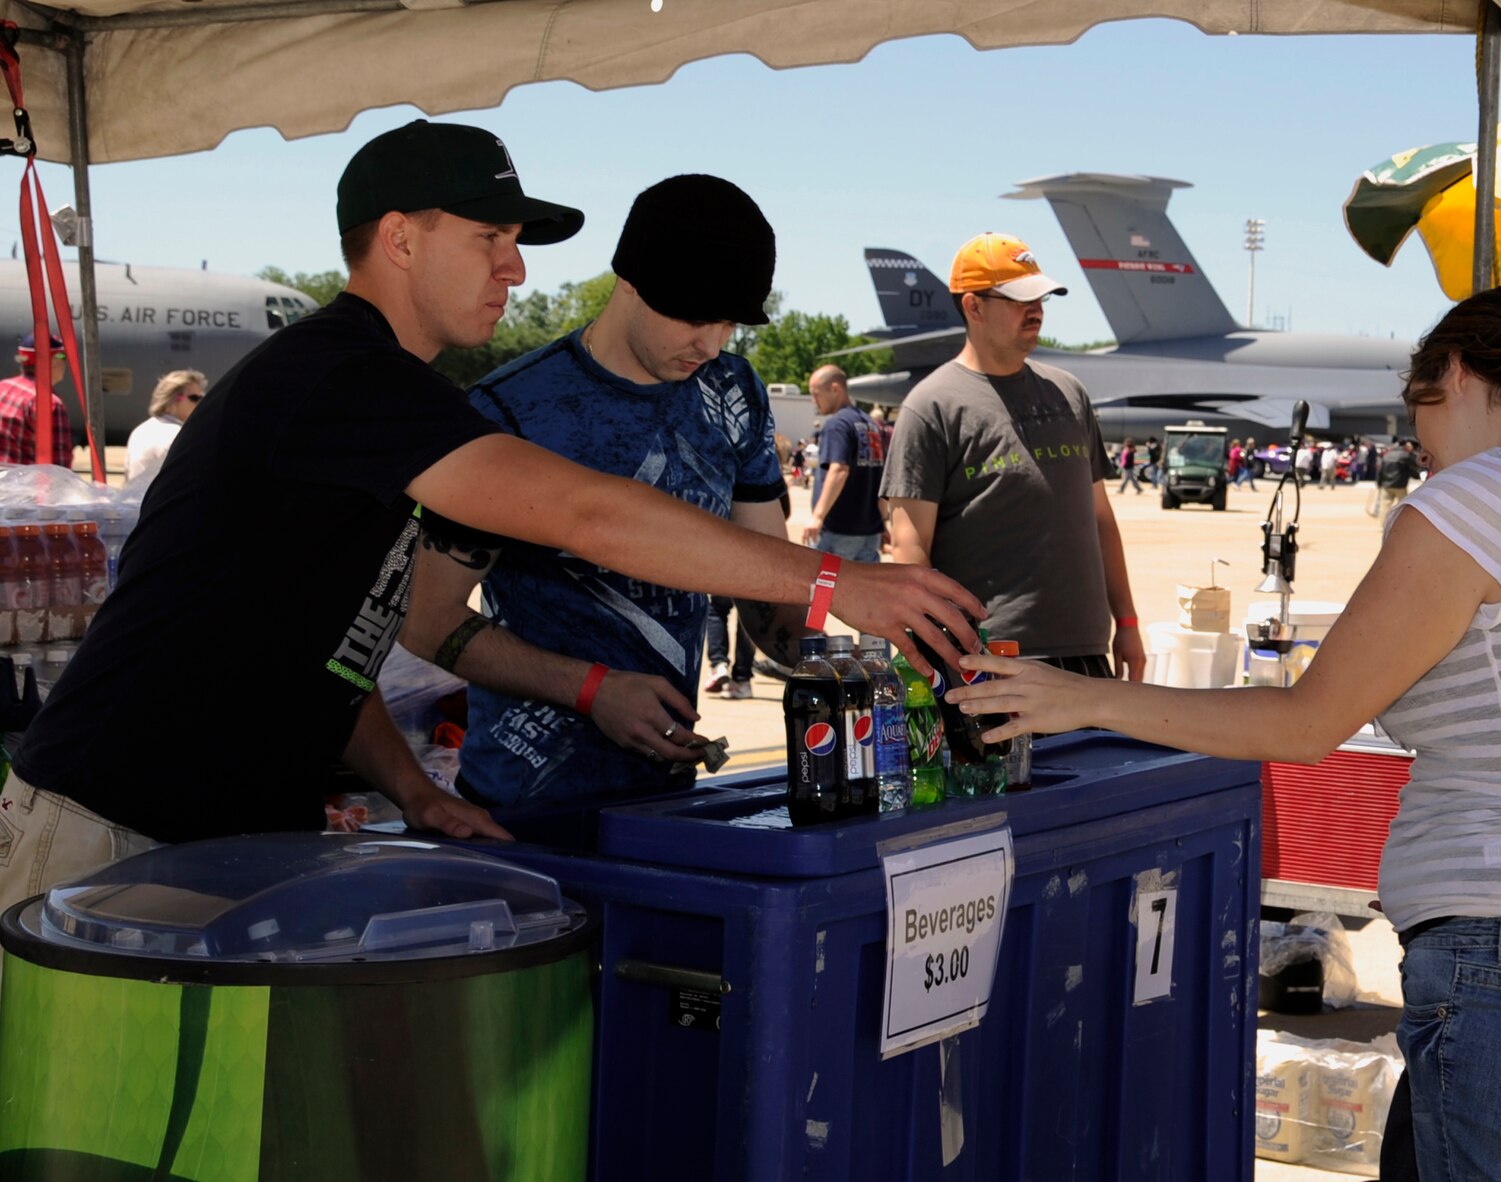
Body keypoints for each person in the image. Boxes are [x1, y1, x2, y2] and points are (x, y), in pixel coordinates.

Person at [0, 122, 982, 914]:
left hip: (214, 832)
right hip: (113, 821)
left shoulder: (390, 397)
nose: (514, 271)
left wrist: (415, 790)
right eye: (490, 239)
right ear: (399, 238)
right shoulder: (342, 374)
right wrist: (834, 579)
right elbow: (581, 512)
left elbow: (329, 657)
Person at [952, 287, 1501, 1182]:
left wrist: (1081, 700)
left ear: (1458, 375)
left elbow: (1308, 723)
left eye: (1418, 412)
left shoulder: (1480, 497)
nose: (1418, 447)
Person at [422, 175, 886, 807]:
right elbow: (427, 619)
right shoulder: (511, 410)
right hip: (523, 807)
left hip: (666, 797)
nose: (712, 344)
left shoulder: (732, 392)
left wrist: (846, 663)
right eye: (695, 318)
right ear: (630, 281)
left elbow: (764, 587)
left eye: (729, 323)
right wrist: (591, 689)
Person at [882, 232, 1144, 680]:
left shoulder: (1069, 394)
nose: (1036, 309)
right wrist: (943, 657)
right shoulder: (932, 406)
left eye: (1041, 297)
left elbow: (1100, 519)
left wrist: (1128, 622)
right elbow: (910, 547)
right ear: (974, 307)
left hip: (1085, 656)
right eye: (1019, 298)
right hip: (992, 659)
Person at [803, 364, 886, 562]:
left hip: (840, 530)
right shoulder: (870, 425)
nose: (814, 402)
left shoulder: (837, 425)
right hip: (869, 531)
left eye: (816, 394)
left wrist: (818, 516)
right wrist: (883, 521)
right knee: (864, 590)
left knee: (826, 590)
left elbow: (839, 469)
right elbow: (880, 476)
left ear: (835, 389)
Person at [123, 369, 206, 486]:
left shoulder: (142, 429)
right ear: (173, 399)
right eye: (194, 398)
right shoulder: (175, 434)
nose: (201, 403)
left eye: (203, 398)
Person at [0, 332, 71, 467]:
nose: (64, 363)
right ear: (52, 361)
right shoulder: (49, 404)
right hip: (25, 486)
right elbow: (59, 467)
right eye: (62, 356)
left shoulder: (2, 388)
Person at [1374, 438, 1419, 524]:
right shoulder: (1405, 455)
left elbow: (1380, 471)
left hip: (1386, 485)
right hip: (1400, 485)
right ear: (1405, 446)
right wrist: (1417, 476)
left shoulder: (1387, 455)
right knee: (1403, 506)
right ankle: (1403, 524)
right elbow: (1413, 466)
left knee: (1385, 505)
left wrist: (1379, 483)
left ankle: (1383, 524)